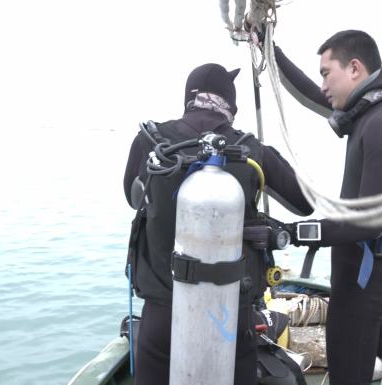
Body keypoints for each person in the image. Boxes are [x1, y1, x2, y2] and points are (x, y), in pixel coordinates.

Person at [123, 63, 313, 385]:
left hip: (160, 317)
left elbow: (133, 197)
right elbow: (304, 203)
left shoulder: (150, 143)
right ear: (231, 105)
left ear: (188, 99)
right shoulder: (250, 151)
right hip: (229, 319)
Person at [271, 30, 382, 385]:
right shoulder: (368, 115)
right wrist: (270, 49)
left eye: (326, 73)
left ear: (355, 69)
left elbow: (368, 223)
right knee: (379, 342)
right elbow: (308, 95)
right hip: (363, 266)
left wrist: (293, 232)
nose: (323, 85)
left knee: (348, 370)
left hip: (366, 272)